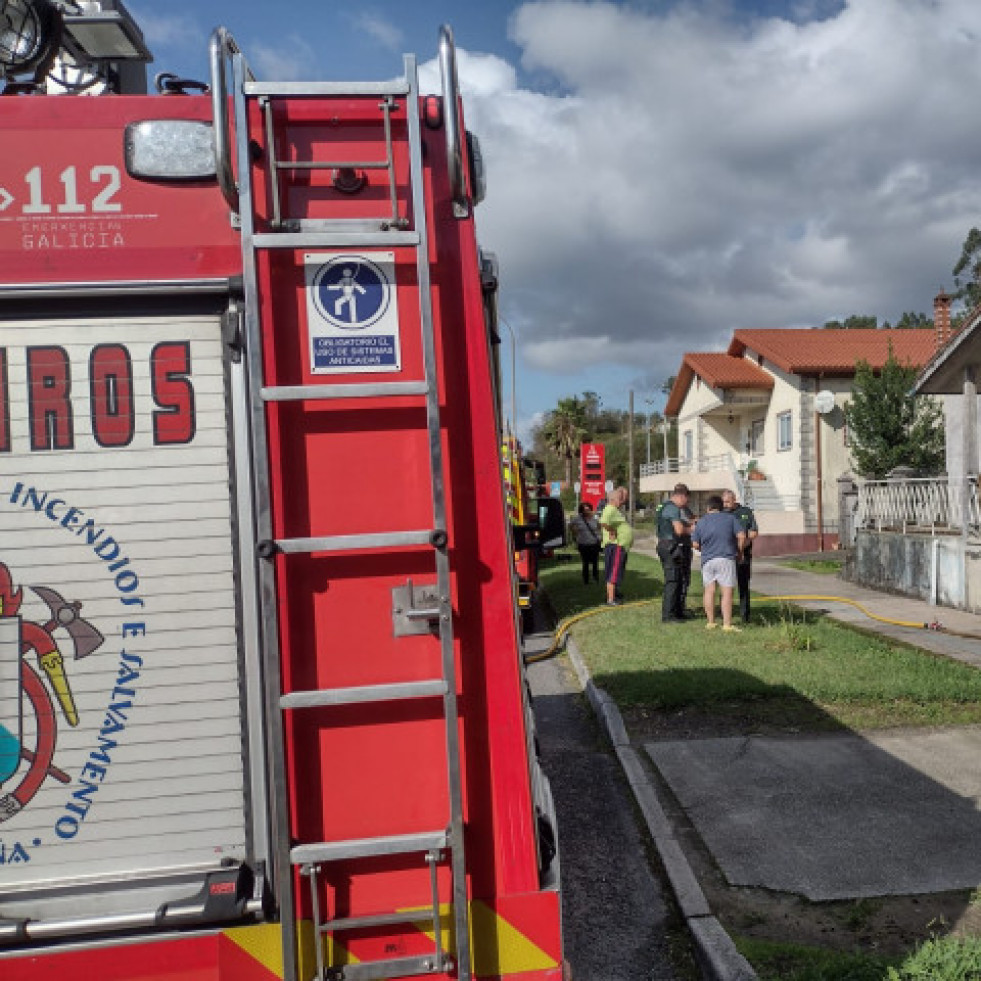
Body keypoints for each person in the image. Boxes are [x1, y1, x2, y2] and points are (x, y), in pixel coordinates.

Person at [691, 495, 746, 632]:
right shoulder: (730, 518)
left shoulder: (701, 522)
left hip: (707, 560)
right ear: (721, 507)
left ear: (708, 507)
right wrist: (739, 551)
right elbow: (742, 535)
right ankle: (727, 624)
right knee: (726, 592)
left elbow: (695, 543)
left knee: (709, 591)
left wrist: (703, 550)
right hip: (726, 558)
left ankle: (710, 622)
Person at [656, 483, 693, 622]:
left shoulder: (664, 506)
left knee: (677, 579)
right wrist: (691, 530)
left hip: (666, 546)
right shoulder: (673, 509)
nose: (687, 503)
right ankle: (668, 615)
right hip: (671, 547)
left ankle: (677, 612)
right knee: (672, 581)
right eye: (687, 500)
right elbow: (678, 530)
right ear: (682, 496)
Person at [722, 489, 759, 624]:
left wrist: (742, 537)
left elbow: (754, 532)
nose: (725, 504)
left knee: (743, 586)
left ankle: (745, 616)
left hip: (743, 555)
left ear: (734, 500)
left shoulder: (745, 512)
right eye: (723, 502)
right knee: (725, 587)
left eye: (727, 502)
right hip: (726, 555)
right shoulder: (721, 514)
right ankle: (726, 615)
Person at [599, 486, 633, 606]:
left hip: (618, 546)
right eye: (620, 499)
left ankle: (613, 595)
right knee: (613, 573)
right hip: (616, 546)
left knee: (615, 572)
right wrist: (611, 530)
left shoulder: (613, 509)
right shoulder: (610, 509)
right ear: (613, 499)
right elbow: (603, 522)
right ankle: (611, 599)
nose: (622, 501)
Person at [569, 502, 602, 585]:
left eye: (588, 509)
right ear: (581, 511)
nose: (586, 511)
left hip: (594, 543)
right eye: (584, 510)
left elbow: (599, 527)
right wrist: (575, 533)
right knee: (585, 563)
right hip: (583, 544)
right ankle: (586, 580)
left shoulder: (595, 518)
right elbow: (570, 525)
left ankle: (595, 578)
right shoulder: (578, 519)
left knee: (595, 562)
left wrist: (600, 537)